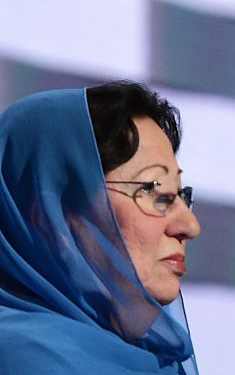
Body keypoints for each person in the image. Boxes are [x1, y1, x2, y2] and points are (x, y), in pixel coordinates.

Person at [0, 81, 202, 374]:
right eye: (156, 193)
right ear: (52, 217)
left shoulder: (154, 361)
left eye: (181, 195)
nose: (190, 226)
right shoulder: (26, 361)